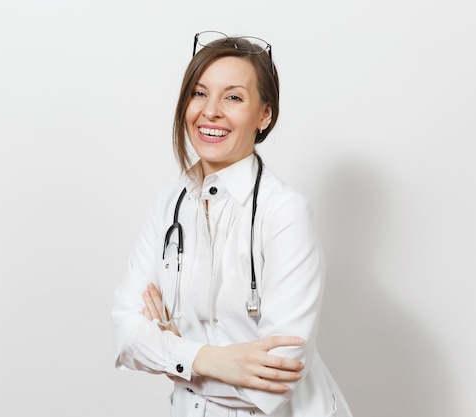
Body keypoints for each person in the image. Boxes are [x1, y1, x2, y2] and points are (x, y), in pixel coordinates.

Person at [111, 31, 353, 417]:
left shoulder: (284, 213)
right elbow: (125, 334)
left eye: (234, 97)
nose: (211, 111)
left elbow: (276, 380)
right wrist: (212, 360)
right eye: (199, 93)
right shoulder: (168, 203)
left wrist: (172, 355)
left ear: (265, 114)